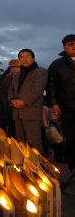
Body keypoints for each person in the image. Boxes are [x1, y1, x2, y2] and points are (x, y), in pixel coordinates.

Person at [8, 49, 47, 152]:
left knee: (34, 142)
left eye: (27, 56)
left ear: (33, 58)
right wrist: (12, 100)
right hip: (17, 112)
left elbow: (37, 90)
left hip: (31, 111)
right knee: (21, 143)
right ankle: (24, 166)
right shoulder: (17, 75)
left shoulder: (40, 71)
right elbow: (11, 89)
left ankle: (38, 166)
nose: (24, 59)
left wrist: (23, 101)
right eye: (21, 57)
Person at [47, 34, 75, 172]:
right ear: (64, 47)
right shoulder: (57, 64)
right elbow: (51, 85)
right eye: (70, 44)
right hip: (67, 106)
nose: (74, 46)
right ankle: (72, 166)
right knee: (70, 136)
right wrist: (54, 103)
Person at [0, 59, 20, 136]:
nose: (15, 69)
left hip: (19, 110)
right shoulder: (5, 79)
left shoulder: (24, 78)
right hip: (7, 109)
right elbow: (2, 93)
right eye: (12, 67)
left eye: (17, 67)